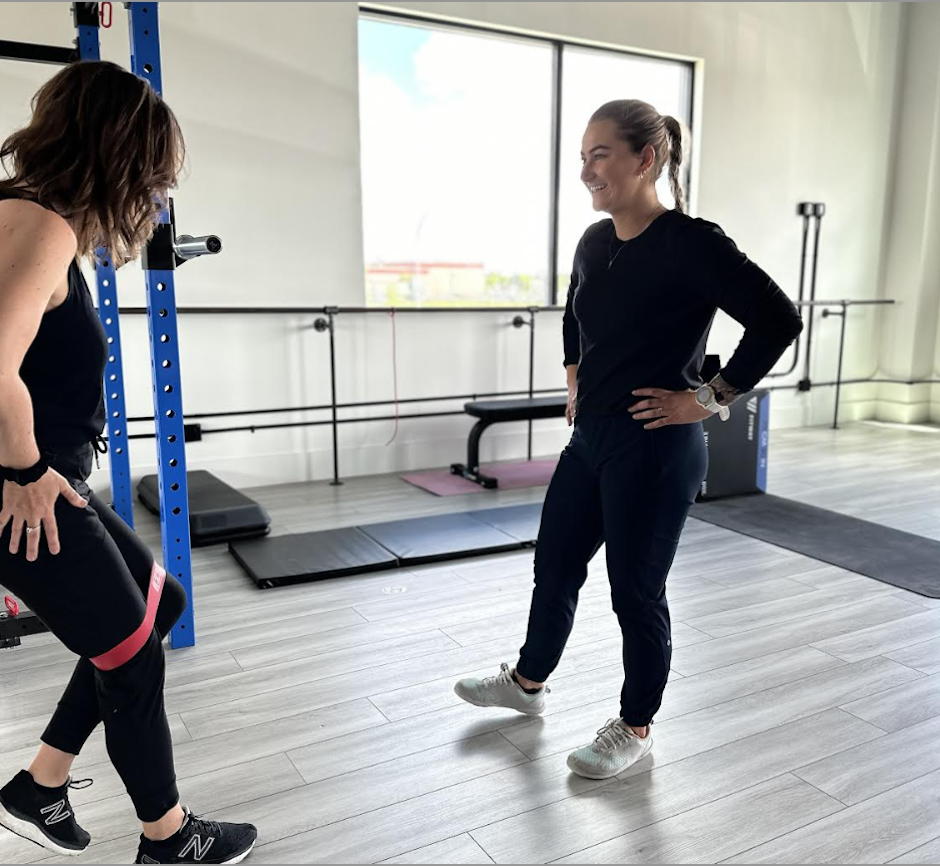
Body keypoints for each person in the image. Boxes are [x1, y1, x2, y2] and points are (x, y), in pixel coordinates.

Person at [454, 99, 804, 780]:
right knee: (553, 564)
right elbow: (573, 312)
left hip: (654, 443)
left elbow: (778, 319)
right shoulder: (594, 241)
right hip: (592, 439)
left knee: (634, 594)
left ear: (646, 159)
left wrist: (708, 398)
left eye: (600, 154)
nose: (585, 169)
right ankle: (528, 684)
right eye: (582, 155)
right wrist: (575, 377)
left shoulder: (691, 241)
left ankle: (637, 725)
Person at [0, 60, 257, 864]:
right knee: (131, 650)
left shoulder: (29, 218)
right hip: (22, 489)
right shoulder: (42, 228)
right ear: (117, 156)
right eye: (154, 176)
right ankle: (168, 840)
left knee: (161, 601)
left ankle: (40, 787)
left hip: (46, 479)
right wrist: (22, 472)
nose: (155, 196)